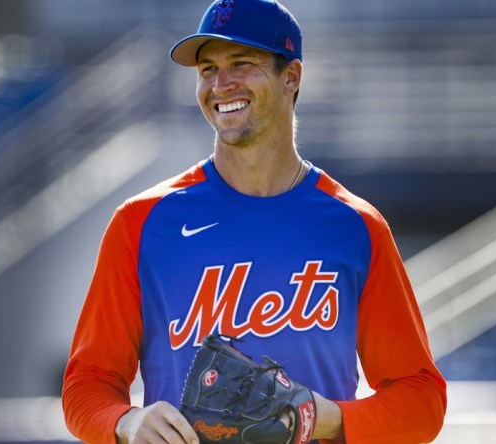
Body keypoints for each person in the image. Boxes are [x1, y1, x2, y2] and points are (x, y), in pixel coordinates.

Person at [62, 0, 447, 442]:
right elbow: (85, 384)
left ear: (292, 78)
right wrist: (126, 422)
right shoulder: (142, 222)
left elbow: (422, 400)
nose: (221, 84)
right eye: (207, 69)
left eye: (241, 63)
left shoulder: (355, 225)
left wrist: (323, 418)